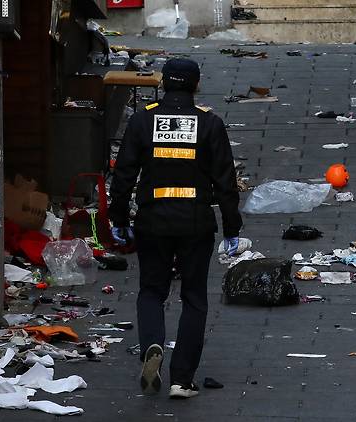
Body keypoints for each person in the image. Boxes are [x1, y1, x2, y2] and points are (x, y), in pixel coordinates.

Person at [109, 58, 243, 399]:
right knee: (194, 298)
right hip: (196, 222)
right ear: (196, 86)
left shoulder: (142, 121)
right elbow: (227, 183)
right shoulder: (209, 123)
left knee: (152, 291)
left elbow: (123, 175)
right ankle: (182, 379)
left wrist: (119, 219)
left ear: (164, 84)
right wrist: (231, 228)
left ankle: (152, 344)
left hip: (152, 221)